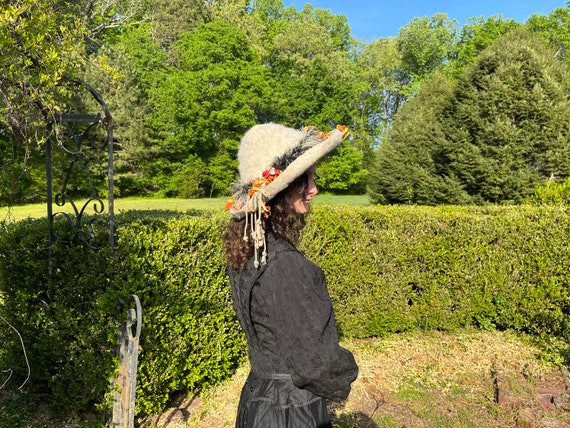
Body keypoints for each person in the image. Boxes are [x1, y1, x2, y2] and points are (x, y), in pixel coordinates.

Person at [223, 123, 359, 428]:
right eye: (304, 181)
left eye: (312, 178)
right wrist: (347, 369)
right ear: (282, 189)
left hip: (258, 400)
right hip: (289, 411)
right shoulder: (286, 265)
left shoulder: (250, 249)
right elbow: (316, 363)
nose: (314, 189)